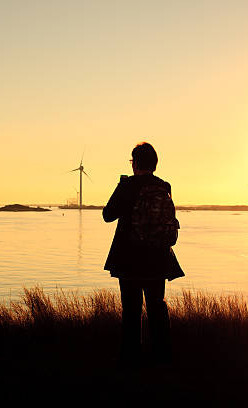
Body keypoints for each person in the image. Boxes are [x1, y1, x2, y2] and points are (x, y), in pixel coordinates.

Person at [103, 142, 184, 366]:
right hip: (158, 257)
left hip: (129, 257)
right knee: (157, 305)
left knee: (131, 309)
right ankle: (163, 356)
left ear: (135, 163)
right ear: (155, 164)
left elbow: (108, 215)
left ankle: (130, 358)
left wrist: (121, 187)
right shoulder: (164, 186)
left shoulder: (128, 185)